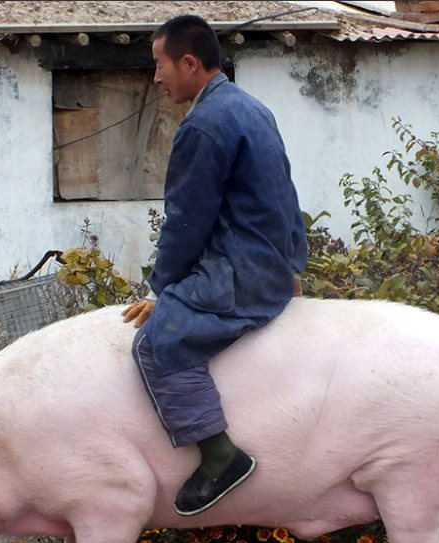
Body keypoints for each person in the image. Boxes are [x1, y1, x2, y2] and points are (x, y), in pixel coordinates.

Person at [122, 15, 307, 517]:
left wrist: (161, 291)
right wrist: (291, 265)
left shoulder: (203, 126)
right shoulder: (251, 107)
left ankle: (221, 457)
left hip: (242, 273)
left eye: (159, 65)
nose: (155, 78)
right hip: (270, 264)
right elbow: (285, 196)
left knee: (156, 343)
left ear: (188, 63)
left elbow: (186, 221)